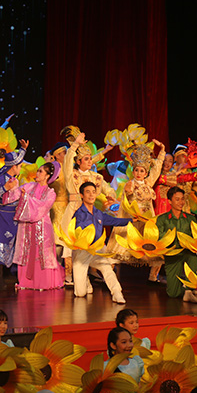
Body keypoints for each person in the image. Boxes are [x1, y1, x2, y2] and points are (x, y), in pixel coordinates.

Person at [60, 130, 117, 287]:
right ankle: (70, 278)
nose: (90, 161)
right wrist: (75, 145)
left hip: (91, 214)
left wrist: (111, 195)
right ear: (78, 161)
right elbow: (68, 160)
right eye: (86, 159)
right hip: (74, 212)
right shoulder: (72, 174)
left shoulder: (96, 177)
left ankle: (104, 276)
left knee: (96, 244)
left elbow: (107, 188)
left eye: (90, 158)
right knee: (71, 245)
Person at [106, 141, 166, 283]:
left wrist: (162, 151)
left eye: (142, 171)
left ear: (146, 173)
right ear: (133, 172)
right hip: (132, 220)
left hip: (146, 220)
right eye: (137, 170)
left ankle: (153, 277)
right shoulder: (130, 184)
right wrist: (128, 193)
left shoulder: (148, 183)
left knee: (155, 249)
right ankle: (108, 277)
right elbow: (127, 202)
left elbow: (157, 168)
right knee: (119, 249)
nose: (139, 173)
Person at [4, 162, 64, 290]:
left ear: (47, 176)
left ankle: (43, 282)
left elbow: (42, 207)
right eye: (38, 170)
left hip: (42, 228)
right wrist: (13, 185)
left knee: (41, 254)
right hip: (26, 226)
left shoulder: (50, 193)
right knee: (26, 251)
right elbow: (15, 194)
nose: (37, 173)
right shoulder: (29, 186)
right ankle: (26, 282)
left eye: (41, 171)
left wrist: (26, 197)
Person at [72, 182, 131, 303]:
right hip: (82, 252)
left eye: (93, 192)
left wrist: (132, 220)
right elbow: (77, 232)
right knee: (80, 293)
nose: (91, 195)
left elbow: (114, 221)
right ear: (82, 195)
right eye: (88, 192)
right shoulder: (79, 214)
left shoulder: (98, 213)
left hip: (97, 250)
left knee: (107, 269)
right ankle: (86, 281)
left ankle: (117, 293)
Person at [0, 142, 29, 290]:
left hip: (13, 217)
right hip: (2, 217)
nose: (21, 168)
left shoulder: (14, 177)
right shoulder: (0, 179)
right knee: (1, 244)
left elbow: (17, 158)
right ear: (13, 167)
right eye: (19, 166)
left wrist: (23, 149)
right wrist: (5, 188)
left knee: (12, 244)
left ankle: (8, 274)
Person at [156, 187, 197, 303]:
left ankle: (189, 290)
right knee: (173, 293)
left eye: (182, 199)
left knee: (193, 259)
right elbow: (159, 238)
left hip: (187, 252)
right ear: (170, 201)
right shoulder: (162, 219)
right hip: (172, 254)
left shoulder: (190, 218)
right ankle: (185, 290)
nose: (181, 202)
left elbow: (196, 236)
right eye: (177, 199)